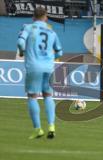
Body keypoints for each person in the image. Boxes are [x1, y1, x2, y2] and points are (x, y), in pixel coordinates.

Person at [17, 7, 63, 139]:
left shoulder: (28, 27)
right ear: (46, 17)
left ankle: (38, 129)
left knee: (32, 96)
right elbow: (59, 52)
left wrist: (22, 52)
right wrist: (48, 59)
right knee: (48, 95)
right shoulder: (51, 30)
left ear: (33, 17)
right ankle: (51, 126)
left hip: (33, 66)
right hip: (48, 67)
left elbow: (20, 43)